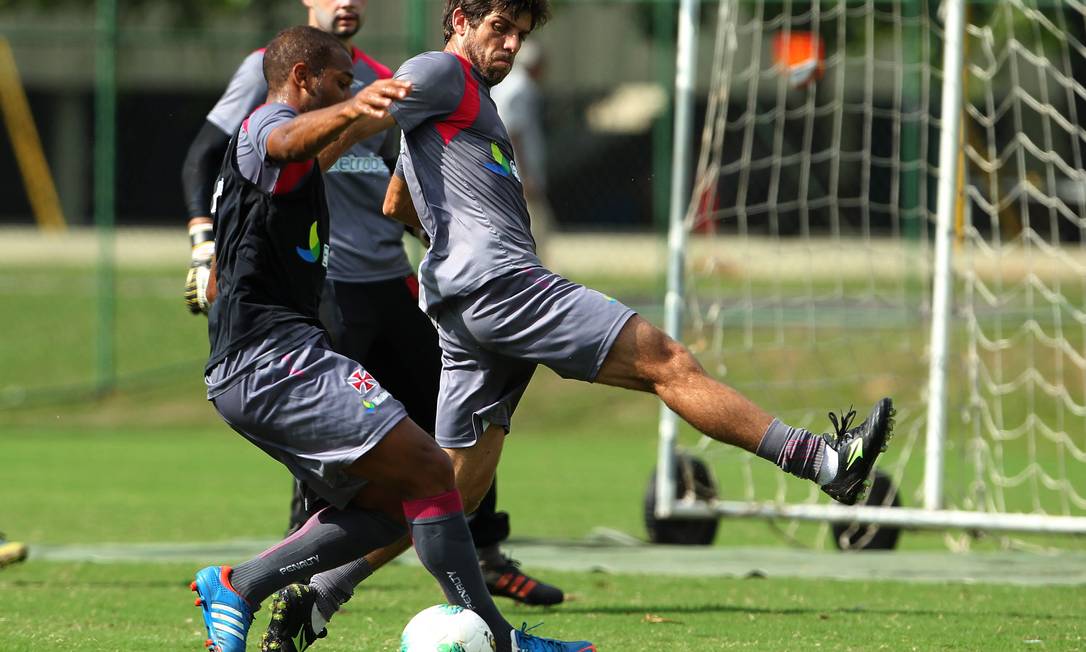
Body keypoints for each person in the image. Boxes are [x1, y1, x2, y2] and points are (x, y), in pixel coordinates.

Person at [267, 0, 896, 648]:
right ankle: (824, 462)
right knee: (664, 359)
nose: (510, 44)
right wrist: (291, 165)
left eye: (519, 34)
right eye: (497, 28)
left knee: (450, 487)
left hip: (466, 304)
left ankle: (317, 595)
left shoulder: (463, 100)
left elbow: (398, 200)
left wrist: (452, 245)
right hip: (502, 286)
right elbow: (366, 114)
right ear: (459, 19)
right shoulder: (441, 74)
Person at [187, 25, 590, 652]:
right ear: (302, 79)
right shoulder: (265, 126)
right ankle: (504, 643)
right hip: (269, 360)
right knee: (432, 466)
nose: (353, 91)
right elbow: (285, 138)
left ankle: (241, 584)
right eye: (342, 81)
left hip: (276, 358)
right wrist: (355, 107)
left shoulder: (293, 165)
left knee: (402, 497)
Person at [489, 39, 554, 259]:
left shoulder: (507, 85)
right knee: (534, 232)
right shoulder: (521, 89)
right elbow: (513, 132)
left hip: (507, 171)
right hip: (519, 174)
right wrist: (524, 176)